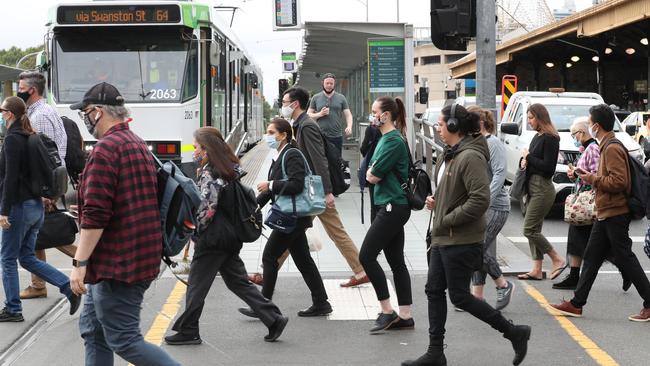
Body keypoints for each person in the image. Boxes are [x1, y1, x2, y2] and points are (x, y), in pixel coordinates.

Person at [402, 105, 530, 366]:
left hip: (459, 237)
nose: (437, 128)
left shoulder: (470, 157)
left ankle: (514, 333)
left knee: (459, 295)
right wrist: (437, 201)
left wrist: (447, 219)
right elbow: (454, 191)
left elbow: (480, 199)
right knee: (434, 290)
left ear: (452, 126)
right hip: (443, 236)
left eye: (439, 123)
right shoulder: (453, 154)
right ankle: (435, 352)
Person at [68, 82, 179, 365]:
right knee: (94, 331)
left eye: (85, 112)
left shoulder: (105, 150)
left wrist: (79, 264)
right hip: (136, 256)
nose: (84, 118)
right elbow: (124, 198)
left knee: (124, 340)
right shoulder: (135, 142)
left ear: (97, 112)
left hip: (118, 264)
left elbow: (96, 217)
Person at [165, 127, 288, 345]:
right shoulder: (228, 169)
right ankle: (274, 319)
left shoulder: (211, 172)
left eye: (196, 147)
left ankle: (189, 330)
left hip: (214, 239)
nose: (193, 152)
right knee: (238, 282)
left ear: (206, 150)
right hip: (230, 237)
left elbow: (208, 207)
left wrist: (197, 232)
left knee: (196, 284)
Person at [549, 104, 650, 322]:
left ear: (596, 126)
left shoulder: (611, 147)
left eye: (589, 121)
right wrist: (589, 175)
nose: (588, 126)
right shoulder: (606, 145)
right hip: (606, 211)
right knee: (592, 258)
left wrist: (591, 179)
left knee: (625, 257)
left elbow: (619, 181)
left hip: (615, 211)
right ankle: (577, 304)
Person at [272, 86, 369, 287]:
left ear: (295, 104)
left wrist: (327, 191)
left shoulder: (307, 126)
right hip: (313, 191)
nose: (282, 106)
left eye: (284, 102)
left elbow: (319, 159)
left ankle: (268, 269)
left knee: (296, 230)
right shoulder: (301, 124)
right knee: (304, 231)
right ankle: (360, 271)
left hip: (315, 192)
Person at [0, 96, 80, 322]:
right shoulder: (30, 136)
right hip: (35, 206)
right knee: (26, 257)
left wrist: (4, 211)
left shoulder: (13, 139)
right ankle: (67, 286)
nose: (1, 114)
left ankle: (13, 309)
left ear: (10, 114)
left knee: (7, 259)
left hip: (19, 208)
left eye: (3, 111)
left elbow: (10, 178)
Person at [249, 118, 332, 317]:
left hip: (293, 217)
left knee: (269, 257)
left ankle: (264, 308)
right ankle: (321, 303)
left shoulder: (292, 154)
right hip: (292, 216)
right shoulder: (280, 155)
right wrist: (254, 207)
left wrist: (270, 184)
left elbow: (296, 185)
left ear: (283, 135)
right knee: (303, 260)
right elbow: (271, 191)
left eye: (271, 133)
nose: (268, 136)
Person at [17, 71, 75, 300]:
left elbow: (43, 156)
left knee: (54, 234)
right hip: (49, 181)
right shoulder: (43, 110)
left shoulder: (39, 116)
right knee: (37, 233)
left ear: (31, 90)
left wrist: (44, 191)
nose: (18, 90)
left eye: (20, 87)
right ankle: (38, 284)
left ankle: (91, 263)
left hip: (46, 184)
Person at [360, 96, 414, 333]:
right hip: (391, 205)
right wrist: (372, 170)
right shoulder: (386, 138)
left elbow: (372, 176)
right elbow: (371, 172)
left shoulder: (392, 141)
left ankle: (387, 311)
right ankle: (405, 316)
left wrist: (372, 170)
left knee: (367, 256)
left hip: (392, 206)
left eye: (375, 112)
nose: (372, 116)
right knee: (396, 261)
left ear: (386, 115)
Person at [466, 106, 514, 311]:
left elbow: (499, 174)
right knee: (478, 247)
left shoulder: (493, 143)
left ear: (480, 123)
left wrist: (483, 200)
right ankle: (477, 295)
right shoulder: (475, 142)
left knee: (477, 247)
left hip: (495, 205)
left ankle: (503, 284)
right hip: (481, 204)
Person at [517, 103, 566, 281]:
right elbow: (534, 161)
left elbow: (548, 168)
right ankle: (536, 269)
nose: (529, 121)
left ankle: (557, 258)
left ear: (540, 118)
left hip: (542, 188)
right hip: (532, 187)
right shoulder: (537, 137)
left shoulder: (551, 138)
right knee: (534, 229)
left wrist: (528, 157)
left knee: (529, 229)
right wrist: (524, 162)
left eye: (531, 118)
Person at [307, 73, 353, 153]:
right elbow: (308, 115)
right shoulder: (316, 97)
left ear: (334, 84)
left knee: (336, 161)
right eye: (327, 83)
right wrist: (320, 114)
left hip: (336, 136)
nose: (329, 85)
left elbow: (348, 115)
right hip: (320, 135)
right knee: (322, 160)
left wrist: (349, 126)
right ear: (323, 83)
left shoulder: (341, 98)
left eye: (331, 83)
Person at [360, 123, 382, 222]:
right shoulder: (397, 131)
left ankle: (375, 232)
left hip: (373, 172)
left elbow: (363, 149)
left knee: (374, 206)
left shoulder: (372, 129)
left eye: (374, 113)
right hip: (391, 177)